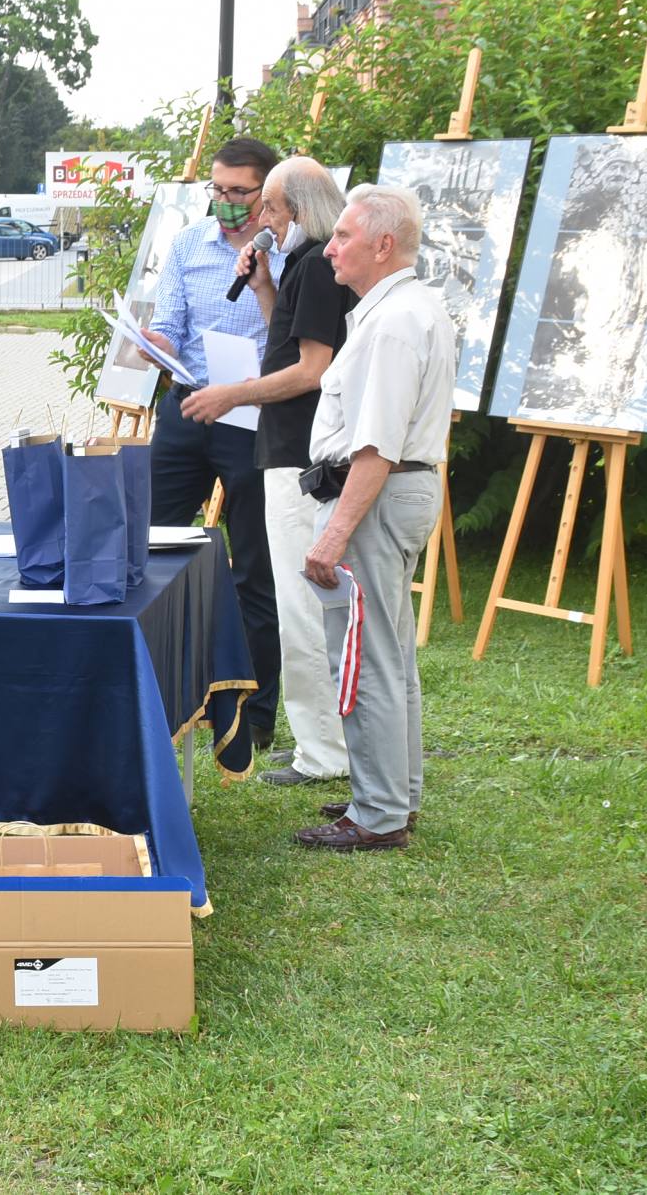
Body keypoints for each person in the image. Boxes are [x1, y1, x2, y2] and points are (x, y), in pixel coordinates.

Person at [181, 156, 355, 788]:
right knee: (300, 599)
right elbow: (292, 338)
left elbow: (310, 369)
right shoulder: (310, 267)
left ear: (300, 211)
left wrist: (234, 394)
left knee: (299, 605)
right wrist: (260, 290)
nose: (266, 222)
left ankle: (321, 753)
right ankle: (320, 741)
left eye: (273, 210)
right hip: (289, 448)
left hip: (295, 451)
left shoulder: (314, 264)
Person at [294, 185, 454, 852]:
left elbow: (376, 446)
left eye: (345, 237)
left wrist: (334, 532)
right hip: (398, 494)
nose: (330, 246)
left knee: (366, 658)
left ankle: (379, 812)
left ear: (384, 246)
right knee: (389, 653)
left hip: (376, 496)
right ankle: (392, 793)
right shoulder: (406, 309)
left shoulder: (392, 323)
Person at [140, 137, 286, 755]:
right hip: (189, 405)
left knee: (255, 564)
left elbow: (295, 343)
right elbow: (169, 326)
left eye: (238, 192)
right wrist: (151, 343)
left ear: (266, 193)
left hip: (254, 415)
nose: (225, 203)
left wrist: (263, 284)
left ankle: (253, 711)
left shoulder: (292, 250)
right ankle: (151, 685)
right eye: (217, 190)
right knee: (148, 543)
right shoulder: (189, 244)